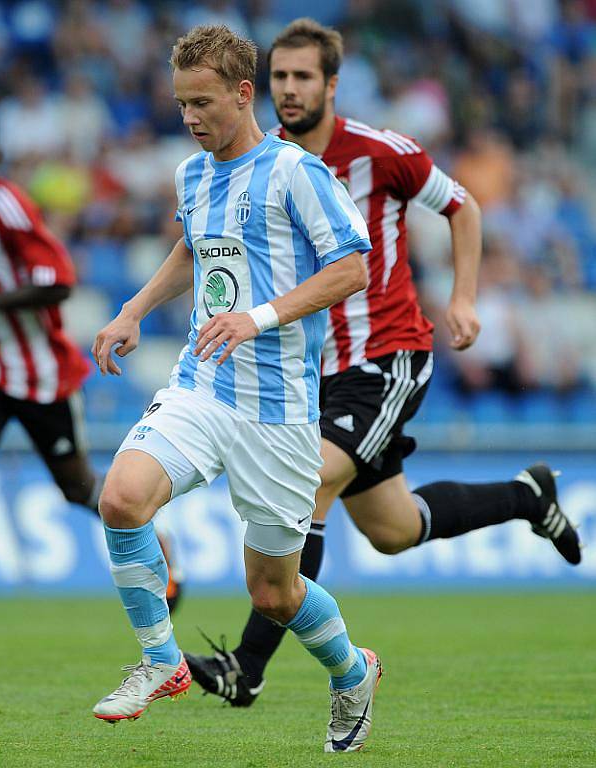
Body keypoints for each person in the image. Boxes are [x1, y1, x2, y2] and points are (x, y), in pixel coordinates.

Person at [184, 17, 582, 708]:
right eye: (279, 76)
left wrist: (461, 299)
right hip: (318, 370)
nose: (289, 89)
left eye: (303, 76)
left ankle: (244, 670)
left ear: (331, 84)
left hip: (387, 354)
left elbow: (462, 208)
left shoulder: (380, 152)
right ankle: (527, 496)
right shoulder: (265, 161)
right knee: (393, 529)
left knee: (307, 482)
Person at [91, 24, 380, 753]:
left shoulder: (295, 172)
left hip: (278, 411)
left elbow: (351, 267)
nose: (189, 118)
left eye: (202, 103)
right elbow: (193, 247)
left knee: (274, 594)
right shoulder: (191, 175)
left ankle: (350, 672)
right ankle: (161, 662)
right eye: (181, 103)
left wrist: (258, 316)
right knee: (122, 498)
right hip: (201, 384)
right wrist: (133, 309)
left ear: (243, 94)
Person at [0, 108, 181, 651]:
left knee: (76, 488)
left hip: (42, 374)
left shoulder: (11, 208)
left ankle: (156, 543)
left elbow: (59, 281)